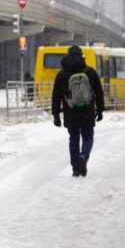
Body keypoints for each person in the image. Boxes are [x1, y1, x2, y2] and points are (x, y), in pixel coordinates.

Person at [51, 46, 104, 177]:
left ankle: (75, 168)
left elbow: (56, 96)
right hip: (87, 111)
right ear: (81, 57)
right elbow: (99, 93)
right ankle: (84, 156)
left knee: (73, 139)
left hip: (70, 112)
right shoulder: (90, 72)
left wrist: (56, 115)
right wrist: (100, 110)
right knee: (88, 137)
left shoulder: (61, 75)